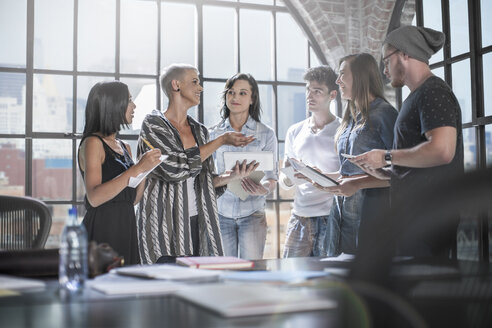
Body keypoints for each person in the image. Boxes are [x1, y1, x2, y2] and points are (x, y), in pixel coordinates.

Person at [350, 26, 464, 257]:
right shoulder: (417, 96)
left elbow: (442, 150)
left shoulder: (433, 92)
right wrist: (388, 172)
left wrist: (386, 156)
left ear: (405, 54)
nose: (384, 70)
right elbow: (424, 165)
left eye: (386, 60)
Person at [136, 64, 256, 264]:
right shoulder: (153, 124)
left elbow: (204, 181)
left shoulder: (200, 131)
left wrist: (231, 177)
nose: (200, 88)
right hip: (163, 227)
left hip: (197, 224)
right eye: (194, 82)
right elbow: (175, 168)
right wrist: (221, 141)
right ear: (176, 85)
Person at [318, 53, 398, 256]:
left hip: (371, 212)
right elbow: (350, 172)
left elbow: (399, 173)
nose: (337, 81)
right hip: (342, 213)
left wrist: (356, 184)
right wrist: (322, 176)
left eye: (342, 74)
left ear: (360, 76)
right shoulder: (351, 118)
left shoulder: (385, 114)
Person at [78, 81, 162, 265]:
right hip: (102, 233)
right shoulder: (93, 143)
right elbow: (95, 197)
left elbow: (132, 200)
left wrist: (146, 169)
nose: (134, 106)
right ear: (113, 105)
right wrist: (136, 168)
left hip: (126, 229)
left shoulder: (124, 147)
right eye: (129, 100)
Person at [209, 73, 278, 260]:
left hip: (253, 215)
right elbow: (207, 178)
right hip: (221, 215)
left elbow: (272, 178)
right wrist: (227, 177)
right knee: (223, 273)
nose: (235, 98)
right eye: (231, 92)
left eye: (242, 93)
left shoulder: (266, 134)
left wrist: (263, 189)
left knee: (251, 273)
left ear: (252, 99)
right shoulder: (214, 134)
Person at [279, 66, 340, 257]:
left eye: (317, 91)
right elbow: (284, 181)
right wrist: (289, 177)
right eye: (308, 90)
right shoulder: (295, 131)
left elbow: (347, 175)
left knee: (327, 281)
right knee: (292, 277)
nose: (310, 96)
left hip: (330, 217)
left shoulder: (342, 130)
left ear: (332, 95)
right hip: (299, 217)